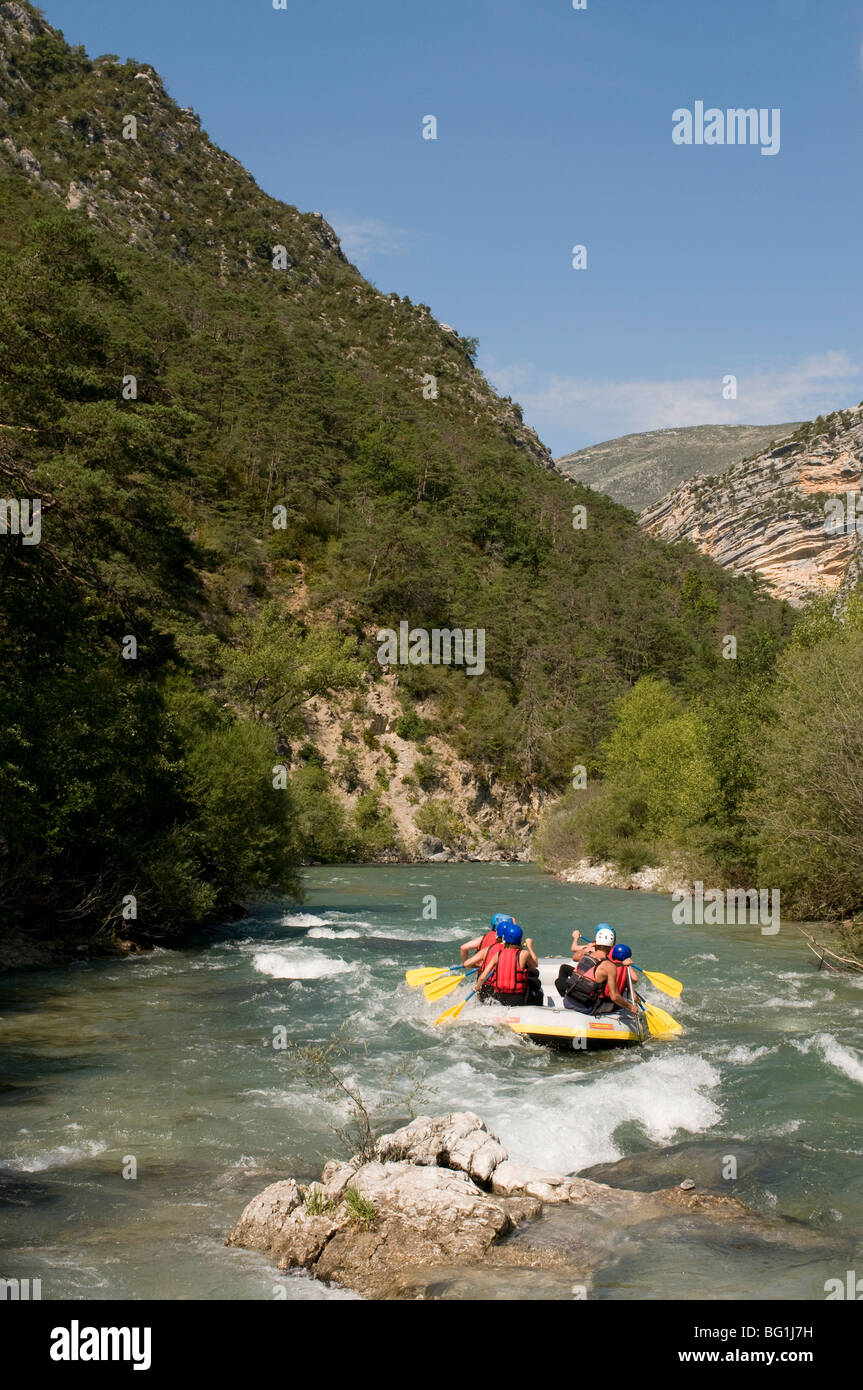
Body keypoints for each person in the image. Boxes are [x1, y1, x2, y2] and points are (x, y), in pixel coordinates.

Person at [556, 926, 639, 1017]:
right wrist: (630, 1006)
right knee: (620, 1005)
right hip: (585, 1007)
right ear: (612, 945)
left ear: (596, 942)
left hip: (568, 1000)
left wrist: (588, 947)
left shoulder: (585, 953)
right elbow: (614, 997)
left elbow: (577, 957)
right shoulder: (609, 967)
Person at [476, 922, 542, 1007]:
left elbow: (482, 977)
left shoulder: (497, 955)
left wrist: (477, 987)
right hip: (518, 999)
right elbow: (535, 965)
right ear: (520, 939)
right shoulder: (524, 954)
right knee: (538, 990)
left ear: (504, 938)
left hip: (499, 998)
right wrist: (530, 947)